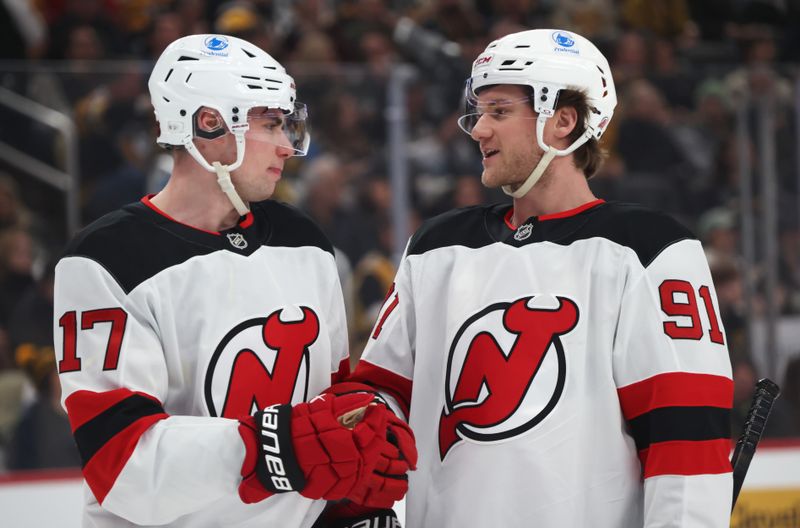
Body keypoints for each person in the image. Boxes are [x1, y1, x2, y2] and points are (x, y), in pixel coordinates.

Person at [344, 29, 734, 526]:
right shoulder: (437, 247)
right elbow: (380, 397)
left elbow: (686, 442)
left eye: (500, 112)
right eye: (478, 112)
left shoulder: (648, 248)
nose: (479, 129)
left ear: (563, 121)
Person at [53, 34, 414, 528]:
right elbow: (121, 468)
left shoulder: (302, 239)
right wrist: (276, 447)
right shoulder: (106, 258)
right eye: (270, 124)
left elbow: (328, 409)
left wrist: (348, 497)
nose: (287, 146)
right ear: (208, 122)